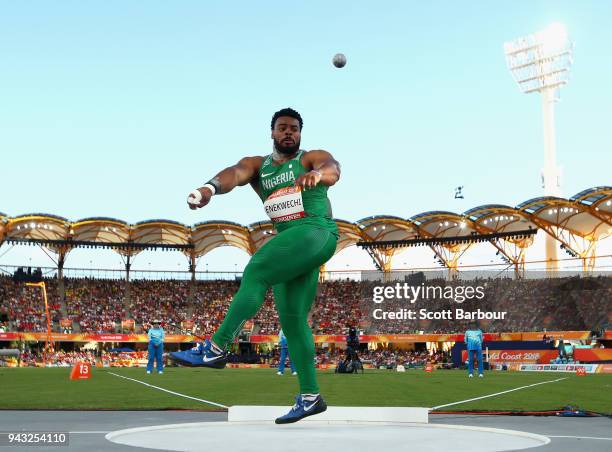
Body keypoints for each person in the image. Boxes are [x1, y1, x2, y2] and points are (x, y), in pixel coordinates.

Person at [171, 108, 340, 424]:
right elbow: (234, 174)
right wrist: (208, 188)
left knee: (256, 271)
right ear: (272, 132)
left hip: (316, 230)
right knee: (292, 321)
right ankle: (310, 396)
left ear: (300, 135)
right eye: (282, 128)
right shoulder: (257, 166)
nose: (289, 132)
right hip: (295, 244)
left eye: (294, 129)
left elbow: (331, 168)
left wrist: (319, 175)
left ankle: (216, 347)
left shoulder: (309, 159)